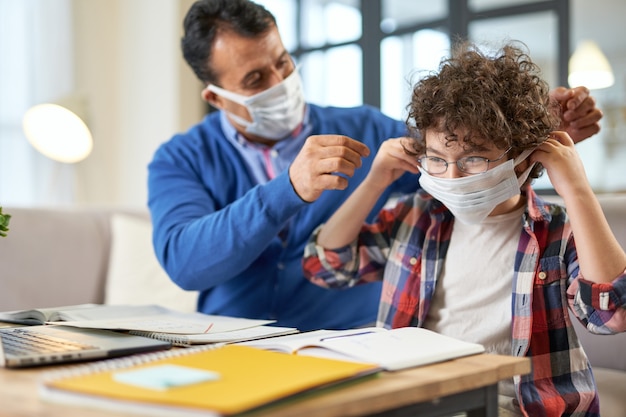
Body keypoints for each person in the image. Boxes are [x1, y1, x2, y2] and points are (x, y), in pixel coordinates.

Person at [148, 0, 603, 332]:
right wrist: (288, 188)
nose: (280, 82)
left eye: (283, 63)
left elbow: (457, 143)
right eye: (255, 79)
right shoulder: (180, 158)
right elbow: (186, 264)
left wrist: (535, 128)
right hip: (235, 343)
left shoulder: (365, 128)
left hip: (353, 344)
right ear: (215, 97)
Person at [302, 42, 626, 416]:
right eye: (437, 160)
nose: (452, 177)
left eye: (473, 159)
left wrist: (576, 188)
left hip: (524, 407)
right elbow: (325, 266)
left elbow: (611, 315)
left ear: (523, 160)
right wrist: (377, 179)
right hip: (417, 401)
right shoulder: (417, 218)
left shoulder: (556, 230)